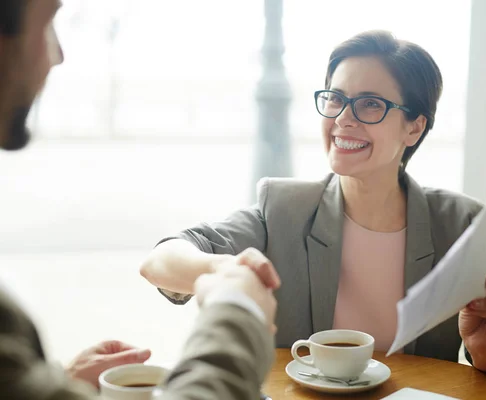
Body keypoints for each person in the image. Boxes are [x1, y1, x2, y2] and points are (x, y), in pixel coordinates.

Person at [141, 30, 486, 375]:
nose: (343, 118)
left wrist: (485, 351)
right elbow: (159, 261)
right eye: (335, 99)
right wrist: (225, 270)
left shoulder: (460, 223)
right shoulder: (284, 207)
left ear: (414, 126)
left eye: (370, 104)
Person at [0, 0, 279, 398]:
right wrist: (238, 314)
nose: (57, 55)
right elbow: (160, 260)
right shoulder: (283, 204)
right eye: (47, 24)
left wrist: (59, 381)